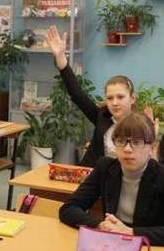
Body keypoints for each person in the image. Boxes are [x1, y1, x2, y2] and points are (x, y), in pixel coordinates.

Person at [59, 112, 164, 247]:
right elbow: (68, 208)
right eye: (121, 141)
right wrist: (101, 225)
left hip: (148, 249)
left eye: (136, 142)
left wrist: (131, 232)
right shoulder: (105, 167)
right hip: (111, 246)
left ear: (152, 148)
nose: (127, 149)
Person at [46, 26, 138, 166]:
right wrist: (60, 57)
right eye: (110, 98)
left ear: (132, 98)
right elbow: (77, 93)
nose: (114, 103)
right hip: (91, 174)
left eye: (120, 97)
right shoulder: (102, 116)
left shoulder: (140, 125)